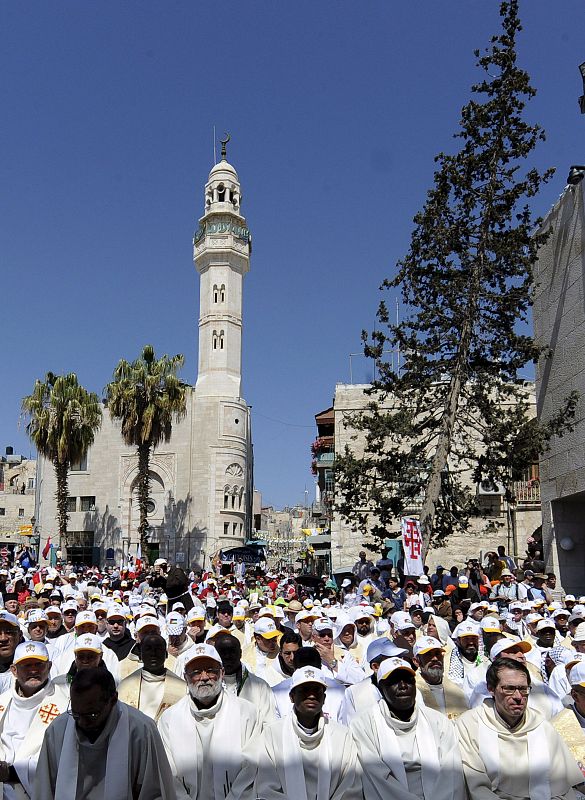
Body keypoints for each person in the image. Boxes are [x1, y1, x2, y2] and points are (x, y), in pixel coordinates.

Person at [34, 666, 175, 800]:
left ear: (113, 700)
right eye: (77, 715)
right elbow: (44, 789)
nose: (82, 722)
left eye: (92, 714)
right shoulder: (58, 729)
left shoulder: (140, 730)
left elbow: (154, 791)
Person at [456, 657, 584, 799]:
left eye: (523, 689)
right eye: (509, 689)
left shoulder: (542, 727)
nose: (518, 696)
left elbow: (562, 788)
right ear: (491, 689)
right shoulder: (470, 725)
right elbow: (476, 788)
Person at [350, 656, 467, 800]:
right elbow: (377, 777)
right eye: (395, 681)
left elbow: (451, 773)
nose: (403, 686)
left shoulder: (438, 722)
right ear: (381, 688)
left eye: (408, 680)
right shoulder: (363, 725)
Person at [157, 642, 259, 800]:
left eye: (211, 670)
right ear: (185, 677)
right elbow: (167, 772)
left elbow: (252, 768)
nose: (204, 677)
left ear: (222, 673)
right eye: (196, 672)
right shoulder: (169, 719)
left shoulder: (246, 713)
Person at [242, 666, 362, 800]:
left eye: (317, 691)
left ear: (324, 697)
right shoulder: (272, 734)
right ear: (292, 697)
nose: (311, 696)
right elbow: (267, 787)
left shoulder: (342, 736)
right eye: (304, 690)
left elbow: (350, 786)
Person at [0, 641, 69, 799]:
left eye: (39, 664)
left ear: (50, 666)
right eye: (26, 665)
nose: (33, 670)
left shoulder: (65, 705)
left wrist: (11, 773)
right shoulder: (3, 702)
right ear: (14, 670)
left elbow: (61, 758)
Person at [117, 633, 186, 721]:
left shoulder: (182, 687)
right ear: (140, 654)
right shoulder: (124, 686)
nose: (153, 653)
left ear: (166, 654)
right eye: (148, 649)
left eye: (158, 649)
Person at [212, 633, 275, 727]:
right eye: (222, 652)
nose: (227, 656)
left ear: (240, 653)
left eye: (232, 651)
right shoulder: (207, 685)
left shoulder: (260, 687)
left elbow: (268, 724)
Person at [413, 636, 468, 719]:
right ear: (417, 661)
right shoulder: (413, 691)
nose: (435, 658)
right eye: (428, 655)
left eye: (437, 654)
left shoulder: (457, 690)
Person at [241, 618, 285, 686]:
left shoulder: (283, 650)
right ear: (258, 639)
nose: (273, 642)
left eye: (275, 638)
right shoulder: (245, 655)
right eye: (269, 640)